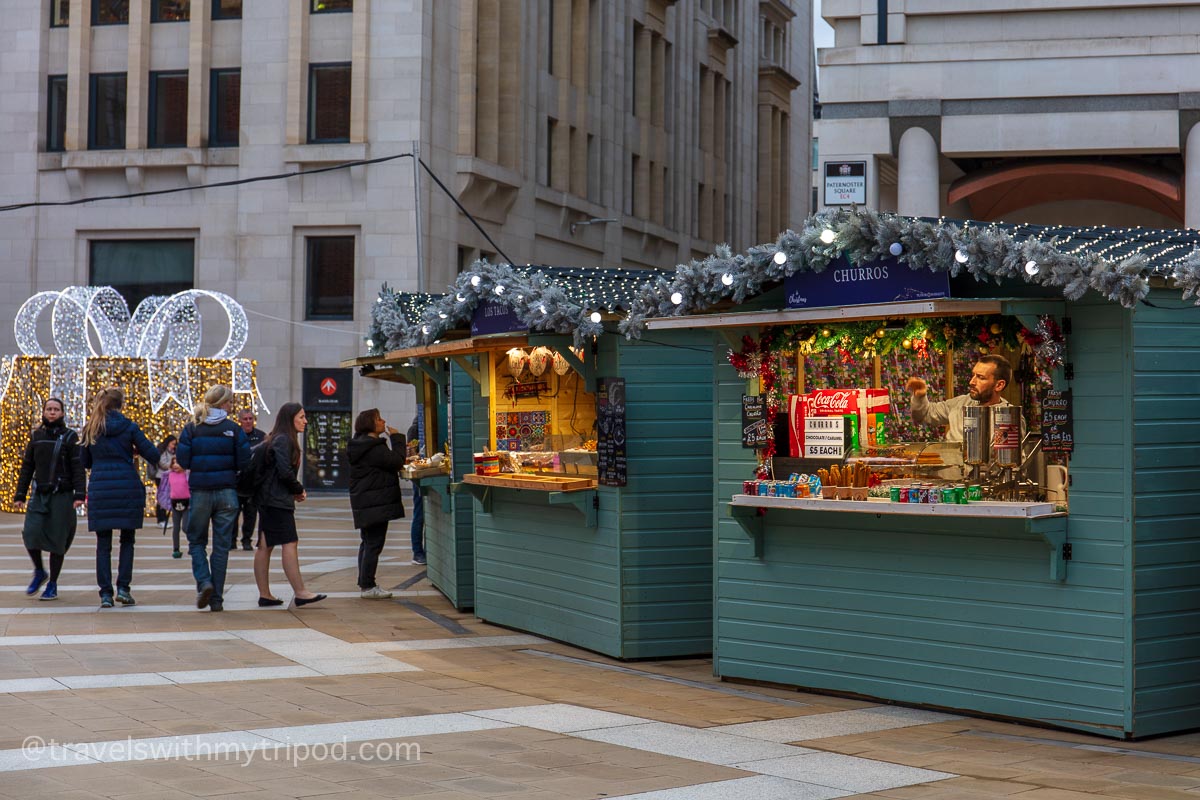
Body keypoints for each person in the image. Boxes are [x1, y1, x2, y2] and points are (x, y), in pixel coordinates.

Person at [80, 387, 160, 609]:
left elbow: (84, 462)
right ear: (121, 404)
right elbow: (153, 455)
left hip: (101, 490)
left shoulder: (91, 428)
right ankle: (124, 588)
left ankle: (106, 593)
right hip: (126, 487)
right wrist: (132, 449)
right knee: (127, 540)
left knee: (103, 544)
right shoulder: (129, 427)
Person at [177, 385, 251, 613]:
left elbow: (184, 460)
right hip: (227, 492)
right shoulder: (233, 429)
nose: (231, 406)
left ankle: (204, 581)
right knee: (221, 547)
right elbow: (244, 461)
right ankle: (217, 599)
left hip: (200, 491)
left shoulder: (192, 429)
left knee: (196, 540)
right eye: (229, 402)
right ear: (222, 404)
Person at [253, 402, 326, 608]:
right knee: (290, 543)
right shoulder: (284, 439)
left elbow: (276, 473)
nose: (305, 421)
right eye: (301, 417)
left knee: (265, 546)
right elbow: (284, 472)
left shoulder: (276, 438)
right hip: (276, 502)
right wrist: (297, 489)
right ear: (290, 418)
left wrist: (291, 490)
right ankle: (301, 592)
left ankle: (265, 594)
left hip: (270, 499)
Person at [13, 398, 86, 601]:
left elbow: (78, 467)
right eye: (49, 409)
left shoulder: (71, 437)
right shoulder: (37, 436)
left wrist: (80, 494)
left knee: (57, 541)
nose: (52, 412)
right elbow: (28, 466)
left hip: (62, 495)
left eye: (56, 409)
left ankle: (52, 583)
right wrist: (20, 494)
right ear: (43, 412)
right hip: (40, 494)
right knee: (30, 533)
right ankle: (39, 571)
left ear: (62, 413)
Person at [347, 409, 406, 600]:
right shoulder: (373, 447)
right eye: (378, 419)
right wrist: (397, 437)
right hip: (374, 503)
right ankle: (368, 585)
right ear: (370, 425)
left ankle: (364, 582)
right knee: (373, 544)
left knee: (367, 542)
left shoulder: (362, 445)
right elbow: (396, 461)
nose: (383, 421)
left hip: (368, 502)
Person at [906, 354, 1015, 443]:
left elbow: (1010, 463)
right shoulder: (962, 402)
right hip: (949, 467)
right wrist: (919, 397)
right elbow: (925, 415)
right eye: (973, 375)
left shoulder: (1008, 416)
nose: (972, 382)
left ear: (999, 385)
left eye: (981, 378)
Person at [235, 409, 267, 551]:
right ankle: (231, 540)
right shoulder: (235, 435)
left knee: (251, 514)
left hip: (253, 483)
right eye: (245, 419)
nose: (248, 421)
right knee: (232, 514)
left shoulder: (261, 436)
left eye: (250, 418)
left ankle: (246, 540)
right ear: (240, 420)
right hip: (236, 481)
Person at [406, 414, 426, 566]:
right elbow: (411, 453)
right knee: (419, 513)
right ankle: (417, 552)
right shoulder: (416, 428)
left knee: (419, 513)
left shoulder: (416, 425)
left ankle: (418, 551)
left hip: (420, 473)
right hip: (419, 474)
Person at [166, 458, 190, 559]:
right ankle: (176, 549)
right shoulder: (169, 475)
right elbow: (165, 489)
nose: (175, 465)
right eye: (173, 463)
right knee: (176, 528)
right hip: (175, 503)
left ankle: (193, 544)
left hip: (187, 503)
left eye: (178, 463)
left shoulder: (187, 474)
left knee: (186, 526)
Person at [151, 435, 176, 526]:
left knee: (167, 497)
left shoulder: (172, 452)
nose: (174, 446)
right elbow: (163, 464)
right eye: (172, 444)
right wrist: (172, 465)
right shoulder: (163, 451)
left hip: (169, 476)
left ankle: (164, 519)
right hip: (161, 476)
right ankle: (161, 519)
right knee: (162, 497)